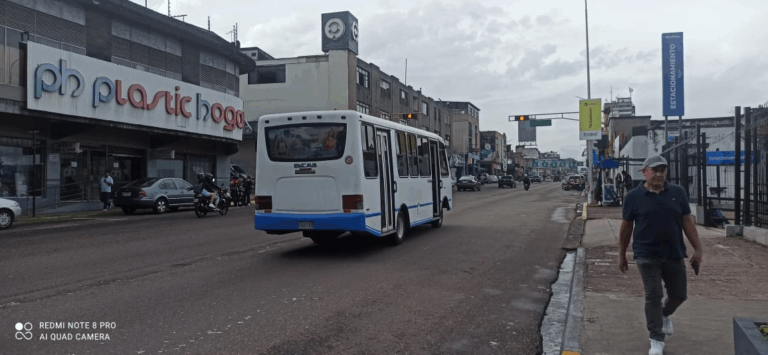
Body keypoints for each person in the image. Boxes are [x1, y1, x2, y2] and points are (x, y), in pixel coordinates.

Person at [619, 155, 703, 355]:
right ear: (644, 172)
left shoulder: (678, 192)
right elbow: (626, 227)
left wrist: (698, 249)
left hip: (674, 253)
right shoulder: (632, 196)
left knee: (679, 295)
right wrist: (621, 254)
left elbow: (687, 221)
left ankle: (664, 315)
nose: (658, 174)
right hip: (646, 254)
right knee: (653, 295)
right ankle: (656, 337)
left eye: (662, 171)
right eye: (654, 170)